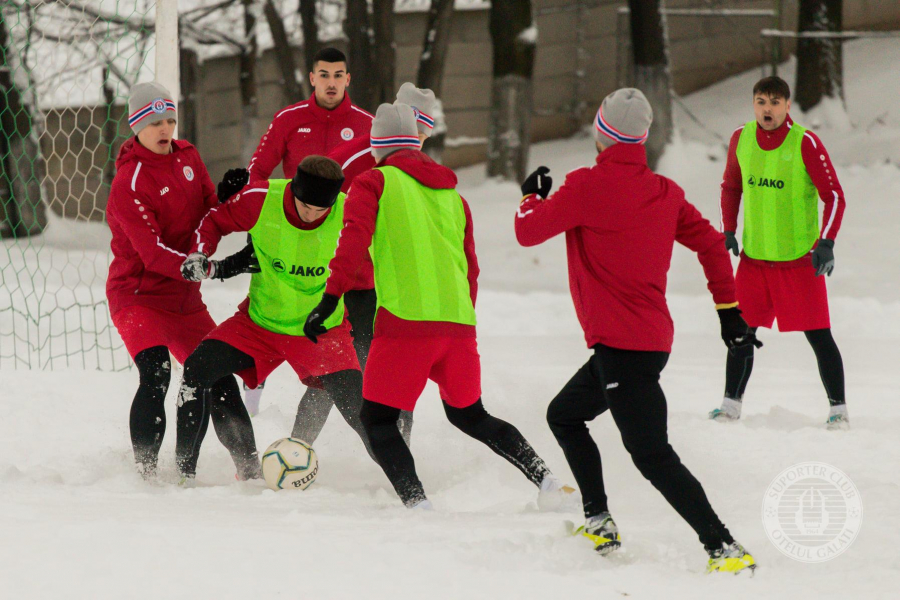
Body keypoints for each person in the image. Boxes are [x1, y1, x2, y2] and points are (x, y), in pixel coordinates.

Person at [515, 89, 757, 574]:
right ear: (643, 137)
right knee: (564, 415)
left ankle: (724, 547)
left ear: (601, 132)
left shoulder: (586, 184)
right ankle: (599, 520)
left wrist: (531, 195)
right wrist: (728, 311)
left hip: (623, 349)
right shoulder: (664, 192)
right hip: (641, 344)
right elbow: (712, 245)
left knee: (651, 455)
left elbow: (528, 230)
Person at [304, 103, 574, 511]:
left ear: (377, 145)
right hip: (458, 327)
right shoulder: (454, 196)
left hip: (405, 326)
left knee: (377, 420)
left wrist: (329, 300)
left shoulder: (373, 181)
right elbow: (471, 269)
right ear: (416, 143)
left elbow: (353, 242)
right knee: (471, 416)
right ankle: (549, 481)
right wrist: (464, 323)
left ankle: (418, 504)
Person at [176, 156, 376, 480]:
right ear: (293, 189)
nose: (310, 215)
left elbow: (376, 272)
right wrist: (200, 252)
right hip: (259, 324)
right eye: (303, 205)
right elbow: (214, 221)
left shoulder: (351, 213)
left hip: (321, 331)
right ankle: (208, 473)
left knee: (361, 411)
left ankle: (408, 486)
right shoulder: (261, 199)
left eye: (319, 210)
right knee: (197, 371)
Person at [106, 82, 258, 479]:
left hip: (185, 300)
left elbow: (208, 213)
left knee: (219, 377)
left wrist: (226, 197)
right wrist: (212, 268)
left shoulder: (188, 154)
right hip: (139, 297)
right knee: (156, 373)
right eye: (155, 121)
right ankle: (145, 475)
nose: (165, 129)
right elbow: (153, 255)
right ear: (136, 125)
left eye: (170, 119)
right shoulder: (130, 182)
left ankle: (251, 470)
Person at [291, 82, 437, 447]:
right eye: (416, 133)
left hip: (385, 286)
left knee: (381, 369)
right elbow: (317, 216)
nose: (419, 144)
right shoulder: (358, 159)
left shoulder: (411, 166)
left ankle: (396, 452)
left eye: (424, 136)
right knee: (346, 369)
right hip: (352, 286)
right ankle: (300, 448)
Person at [233, 46, 374, 416]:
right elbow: (257, 175)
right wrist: (257, 226)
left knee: (349, 351)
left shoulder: (368, 125)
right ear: (312, 78)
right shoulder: (288, 119)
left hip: (347, 251)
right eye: (323, 75)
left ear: (348, 79)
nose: (331, 82)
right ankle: (253, 387)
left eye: (337, 75)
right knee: (270, 322)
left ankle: (373, 430)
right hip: (292, 246)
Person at [708, 76, 848, 430]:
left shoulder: (806, 143)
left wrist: (826, 242)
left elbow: (834, 196)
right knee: (741, 334)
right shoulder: (741, 138)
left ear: (787, 106)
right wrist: (728, 229)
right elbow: (731, 186)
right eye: (760, 101)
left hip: (799, 261)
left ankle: (838, 409)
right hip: (755, 260)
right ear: (753, 104)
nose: (766, 109)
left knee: (818, 335)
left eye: (773, 102)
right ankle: (730, 405)